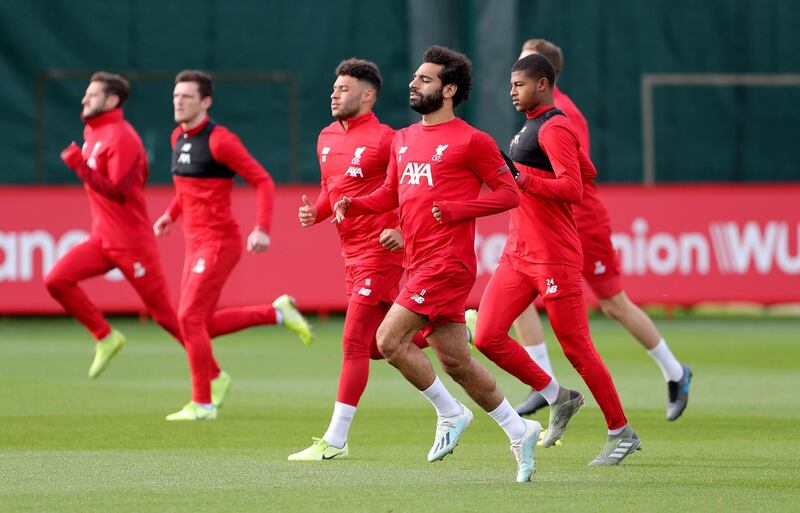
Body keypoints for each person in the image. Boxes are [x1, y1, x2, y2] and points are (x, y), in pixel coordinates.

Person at [333, 46, 542, 483]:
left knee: (388, 341)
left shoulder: (472, 140)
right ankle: (518, 429)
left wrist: (456, 208)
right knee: (456, 361)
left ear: (449, 90)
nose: (414, 84)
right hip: (417, 262)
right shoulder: (404, 139)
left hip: (447, 265)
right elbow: (391, 193)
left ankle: (450, 414)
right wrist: (355, 203)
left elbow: (509, 195)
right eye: (415, 78)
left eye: (425, 80)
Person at [485, 39, 691, 421]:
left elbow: (578, 177)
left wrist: (525, 183)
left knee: (613, 305)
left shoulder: (562, 117)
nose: (517, 70)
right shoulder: (533, 115)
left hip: (580, 224)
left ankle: (675, 372)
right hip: (541, 228)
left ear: (543, 75)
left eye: (528, 59)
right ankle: (542, 384)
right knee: (517, 300)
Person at [470, 53, 640, 465]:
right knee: (487, 336)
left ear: (542, 84)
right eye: (510, 84)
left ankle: (621, 431)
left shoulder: (555, 126)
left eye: (519, 84)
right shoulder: (538, 125)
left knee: (577, 347)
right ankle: (557, 396)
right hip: (518, 253)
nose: (512, 91)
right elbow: (588, 168)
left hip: (553, 256)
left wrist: (523, 178)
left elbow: (575, 188)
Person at [289, 58, 431, 461]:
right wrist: (313, 213)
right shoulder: (325, 136)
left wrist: (402, 232)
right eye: (334, 87)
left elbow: (412, 193)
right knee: (378, 346)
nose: (334, 93)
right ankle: (444, 331)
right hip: (350, 254)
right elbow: (330, 191)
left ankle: (336, 439)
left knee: (352, 342)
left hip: (380, 253)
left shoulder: (389, 139)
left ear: (368, 95)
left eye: (344, 88)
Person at [153, 70, 314, 421]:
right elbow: (186, 189)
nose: (179, 102)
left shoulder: (220, 140)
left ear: (206, 101)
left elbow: (263, 181)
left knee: (188, 318)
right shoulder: (176, 138)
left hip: (218, 243)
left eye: (187, 97)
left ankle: (203, 402)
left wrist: (261, 229)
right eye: (176, 96)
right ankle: (277, 313)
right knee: (196, 324)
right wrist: (170, 214)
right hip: (192, 244)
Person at [46, 71, 184, 379]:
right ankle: (105, 336)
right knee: (56, 280)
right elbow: (138, 175)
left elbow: (119, 192)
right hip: (103, 240)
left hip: (133, 244)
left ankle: (213, 374)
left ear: (112, 100)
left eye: (92, 95)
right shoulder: (94, 133)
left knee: (165, 317)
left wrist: (78, 165)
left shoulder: (122, 136)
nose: (84, 99)